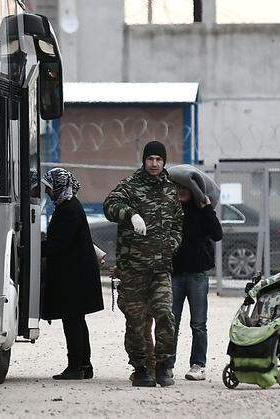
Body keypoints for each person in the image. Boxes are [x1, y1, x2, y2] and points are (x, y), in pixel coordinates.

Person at [103, 140, 183, 387]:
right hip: (133, 269)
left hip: (160, 268)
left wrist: (172, 243)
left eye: (159, 159)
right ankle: (140, 368)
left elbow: (178, 223)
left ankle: (162, 366)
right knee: (136, 321)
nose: (155, 164)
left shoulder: (170, 190)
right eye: (151, 159)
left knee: (165, 315)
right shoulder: (129, 186)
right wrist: (131, 214)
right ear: (144, 160)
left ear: (164, 161)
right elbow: (110, 206)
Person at [41, 168, 104, 380]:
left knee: (73, 322)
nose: (48, 192)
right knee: (77, 321)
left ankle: (76, 366)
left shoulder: (68, 209)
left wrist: (34, 248)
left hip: (74, 277)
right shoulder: (69, 206)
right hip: (77, 276)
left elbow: (59, 244)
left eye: (50, 187)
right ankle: (84, 365)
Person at [166, 182, 222, 381]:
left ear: (193, 191)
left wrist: (207, 209)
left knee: (198, 323)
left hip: (198, 275)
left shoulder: (202, 211)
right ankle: (167, 364)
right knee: (171, 321)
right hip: (176, 273)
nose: (181, 191)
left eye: (185, 188)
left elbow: (217, 234)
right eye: (178, 188)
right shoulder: (171, 210)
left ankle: (198, 365)